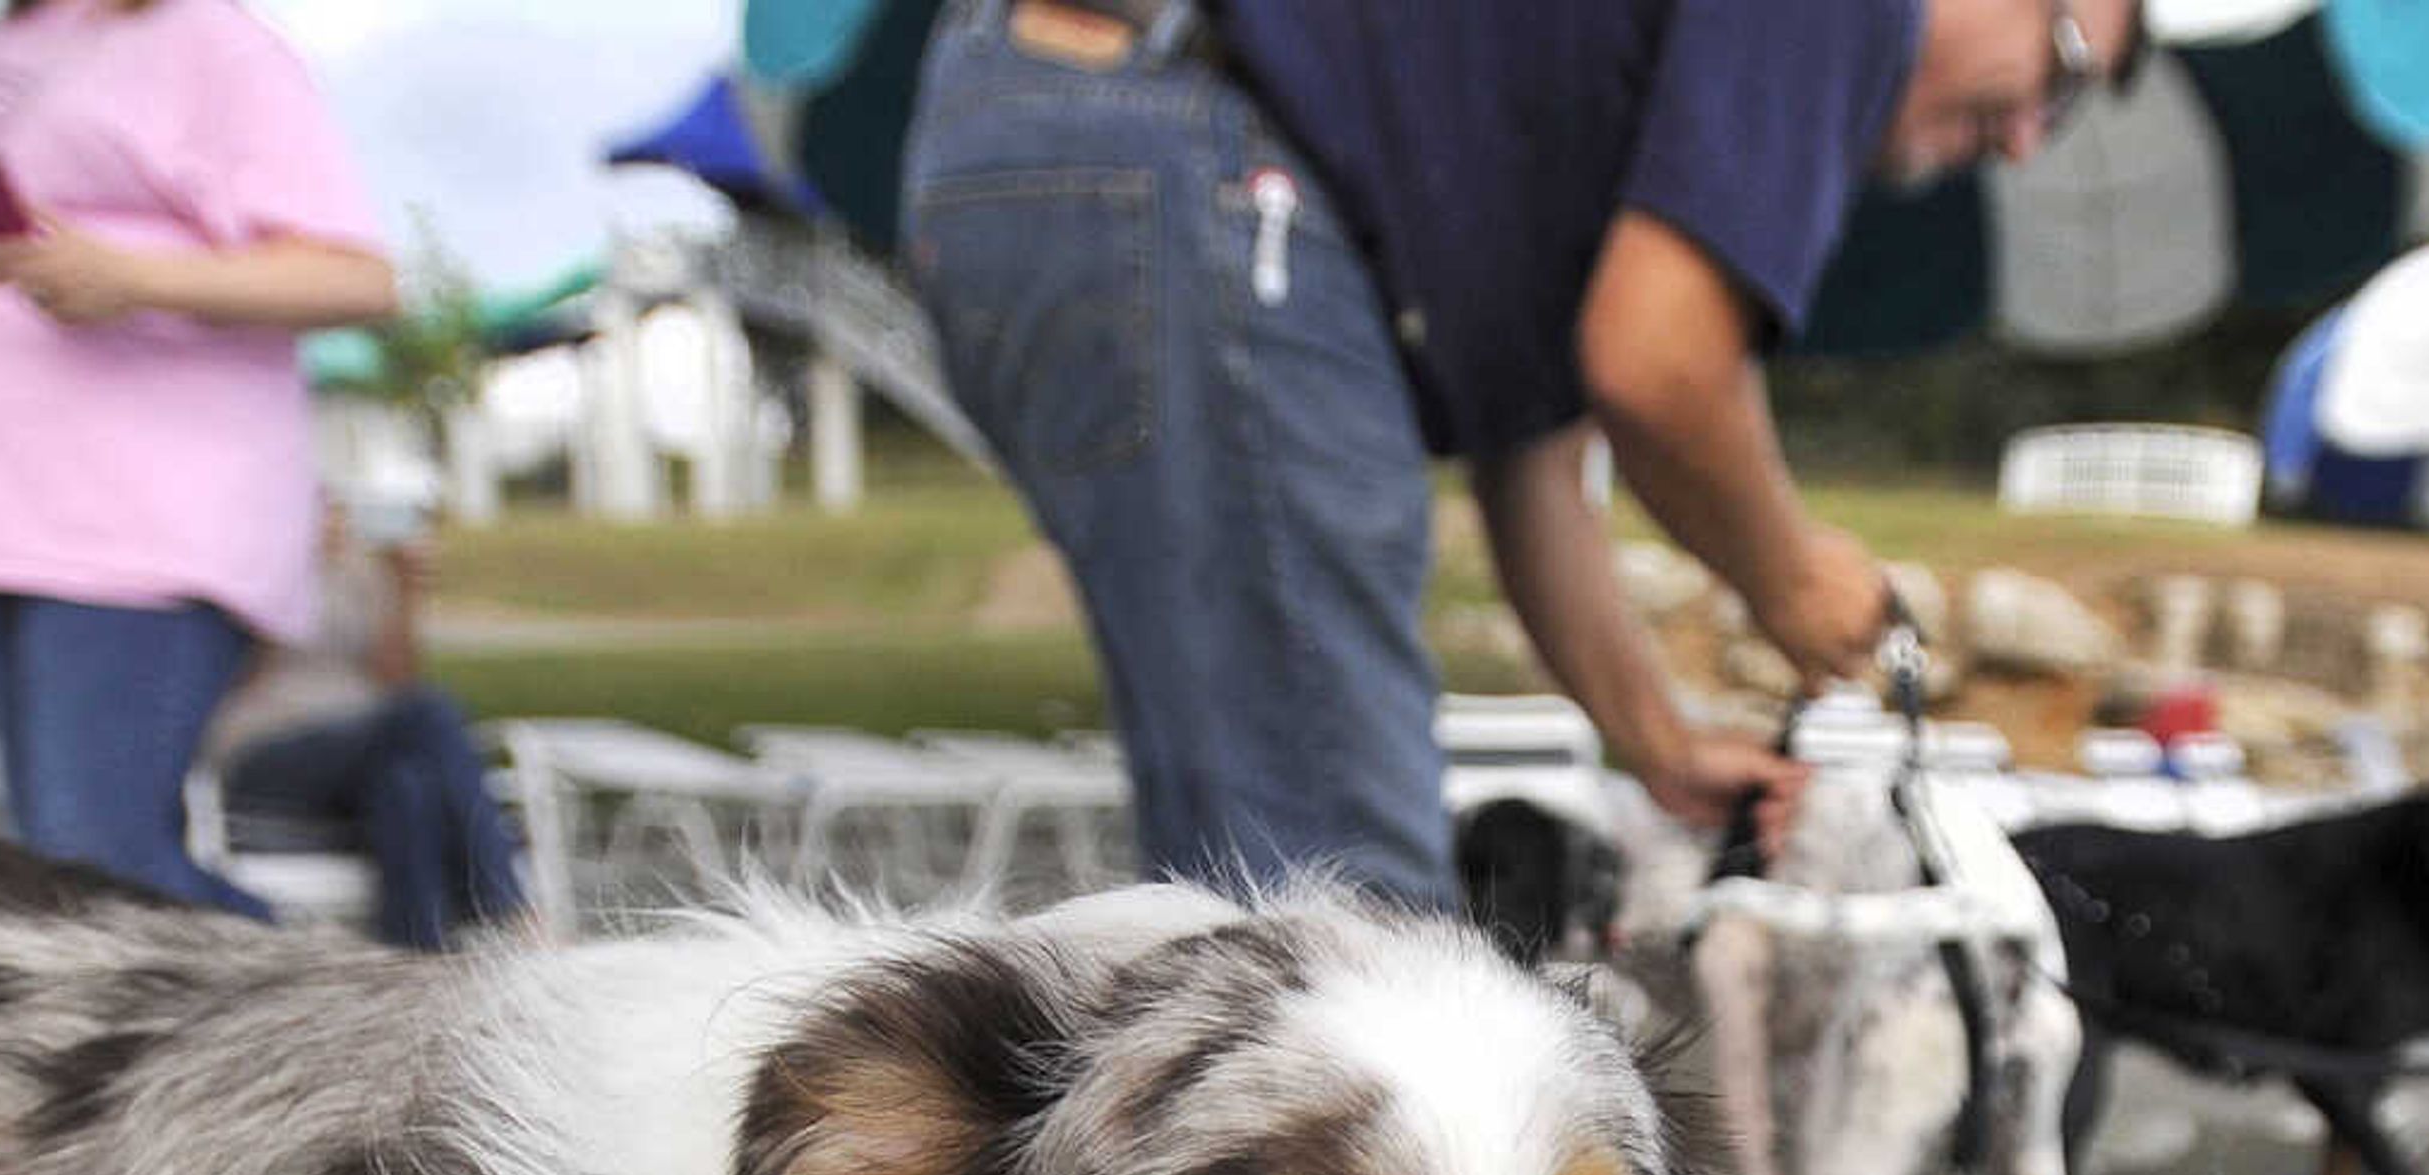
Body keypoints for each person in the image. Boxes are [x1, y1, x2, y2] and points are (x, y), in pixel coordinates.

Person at [899, 0, 2142, 909]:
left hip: (1061, 133)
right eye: (2068, 68)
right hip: (1194, 157)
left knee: (1241, 899)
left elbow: (1536, 460)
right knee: (1351, 939)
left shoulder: (1570, 102)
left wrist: (1654, 738)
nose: (2030, 139)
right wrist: (1790, 577)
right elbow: (1660, 365)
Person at [0, 0, 398, 914]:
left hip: (137, 519)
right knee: (56, 873)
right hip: (8, 523)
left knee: (98, 871)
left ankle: (318, 1024)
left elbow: (355, 274)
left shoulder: (207, 39)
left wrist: (134, 278)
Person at [204, 494, 533, 950]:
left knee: (406, 785)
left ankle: (419, 958)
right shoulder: (249, 573)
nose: (330, 523)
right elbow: (238, 672)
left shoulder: (362, 574)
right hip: (267, 747)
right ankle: (509, 907)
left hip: (363, 745)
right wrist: (286, 579)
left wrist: (404, 593)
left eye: (337, 511)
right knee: (429, 711)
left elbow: (396, 679)